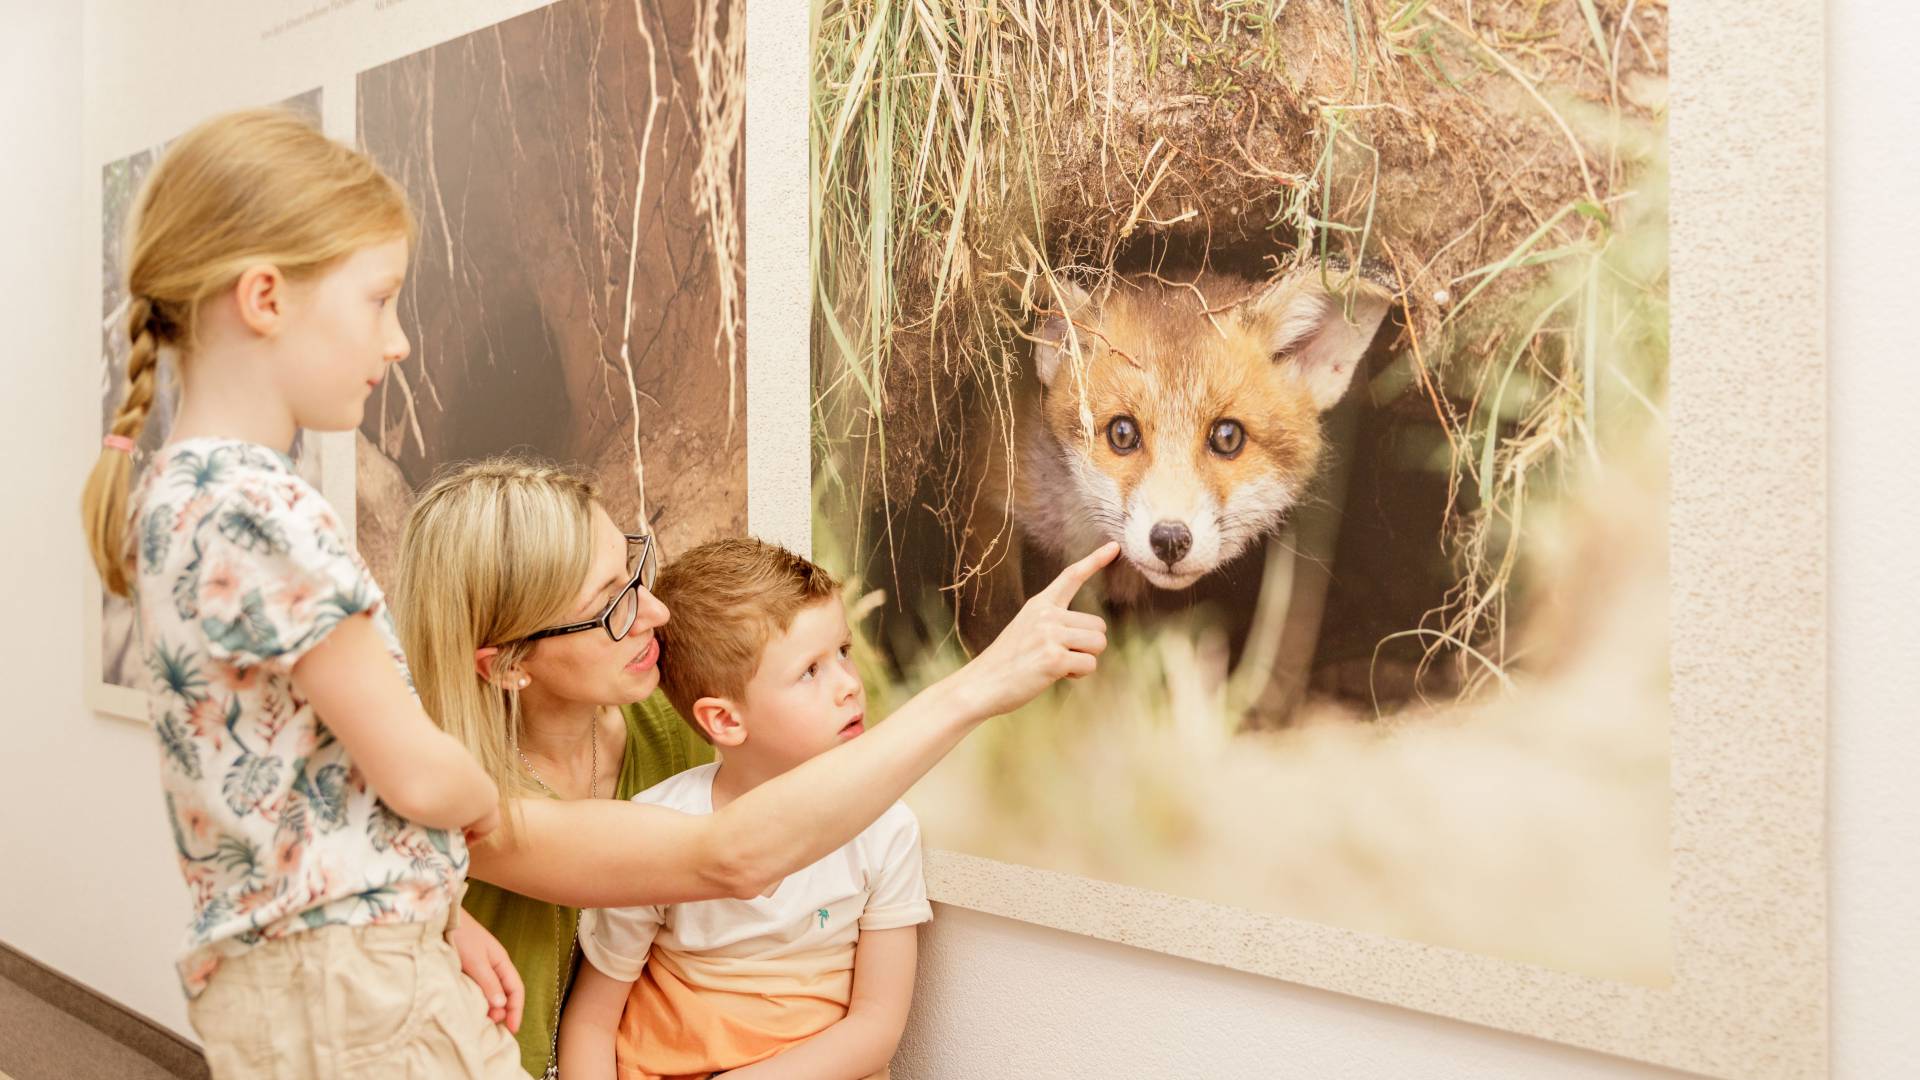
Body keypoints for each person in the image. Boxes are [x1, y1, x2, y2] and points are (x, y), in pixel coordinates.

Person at [394, 458, 1117, 1077]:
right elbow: (732, 855)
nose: (653, 613)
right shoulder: (450, 794)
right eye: (609, 608)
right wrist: (979, 686)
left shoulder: (664, 720)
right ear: (511, 665)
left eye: (633, 570)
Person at [77, 108, 520, 1078]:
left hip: (296, 980)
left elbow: (310, 793)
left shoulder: (174, 493)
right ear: (265, 297)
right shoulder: (266, 506)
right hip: (358, 990)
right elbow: (415, 774)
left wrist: (436, 918)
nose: (396, 340)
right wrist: (487, 800)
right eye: (378, 300)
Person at [559, 538, 929, 1080]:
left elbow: (876, 1027)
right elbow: (590, 1023)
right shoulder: (657, 832)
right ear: (727, 721)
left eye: (844, 653)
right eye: (811, 671)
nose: (850, 686)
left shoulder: (887, 831)